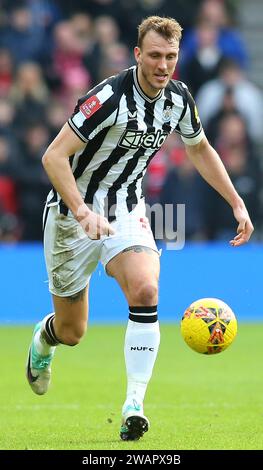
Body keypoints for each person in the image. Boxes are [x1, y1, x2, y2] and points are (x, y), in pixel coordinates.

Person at [26, 16, 254, 441]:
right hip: (70, 214)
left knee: (147, 290)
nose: (162, 65)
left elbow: (199, 146)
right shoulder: (109, 97)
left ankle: (135, 403)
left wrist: (236, 201)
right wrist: (80, 211)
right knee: (73, 331)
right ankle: (45, 337)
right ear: (137, 55)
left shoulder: (179, 99)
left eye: (170, 57)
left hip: (127, 209)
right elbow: (53, 157)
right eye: (154, 56)